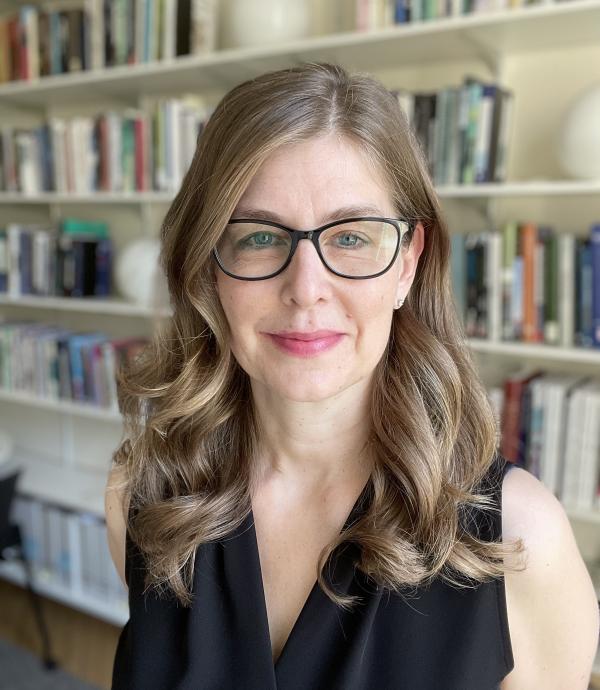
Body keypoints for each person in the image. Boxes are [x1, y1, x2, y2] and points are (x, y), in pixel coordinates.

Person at [105, 62, 599, 689]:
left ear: (407, 265)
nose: (306, 290)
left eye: (352, 238)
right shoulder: (142, 498)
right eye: (259, 236)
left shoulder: (521, 540)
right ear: (208, 268)